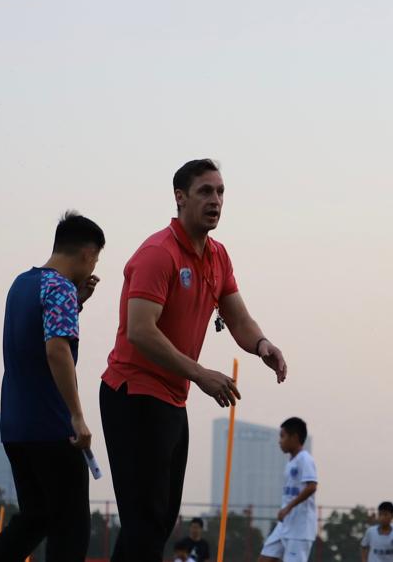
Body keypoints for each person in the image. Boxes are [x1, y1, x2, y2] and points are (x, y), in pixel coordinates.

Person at [101, 159, 288, 561]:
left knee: (160, 519)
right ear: (180, 198)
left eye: (220, 192)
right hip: (132, 394)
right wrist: (201, 373)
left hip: (172, 398)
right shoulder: (158, 253)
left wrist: (262, 345)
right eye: (205, 191)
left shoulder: (217, 256)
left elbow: (238, 317)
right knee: (145, 518)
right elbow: (140, 329)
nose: (215, 200)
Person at [0, 212, 105, 562]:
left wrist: (77, 303)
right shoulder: (59, 288)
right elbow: (56, 349)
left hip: (16, 428)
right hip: (52, 428)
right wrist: (78, 416)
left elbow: (32, 338)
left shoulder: (22, 283)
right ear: (86, 254)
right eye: (95, 258)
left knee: (35, 519)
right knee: (71, 529)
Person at [259, 418, 318, 562]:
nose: (280, 441)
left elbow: (312, 486)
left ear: (295, 437)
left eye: (282, 436)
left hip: (300, 530)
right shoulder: (291, 462)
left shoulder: (305, 459)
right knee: (264, 558)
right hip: (285, 525)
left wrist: (288, 508)